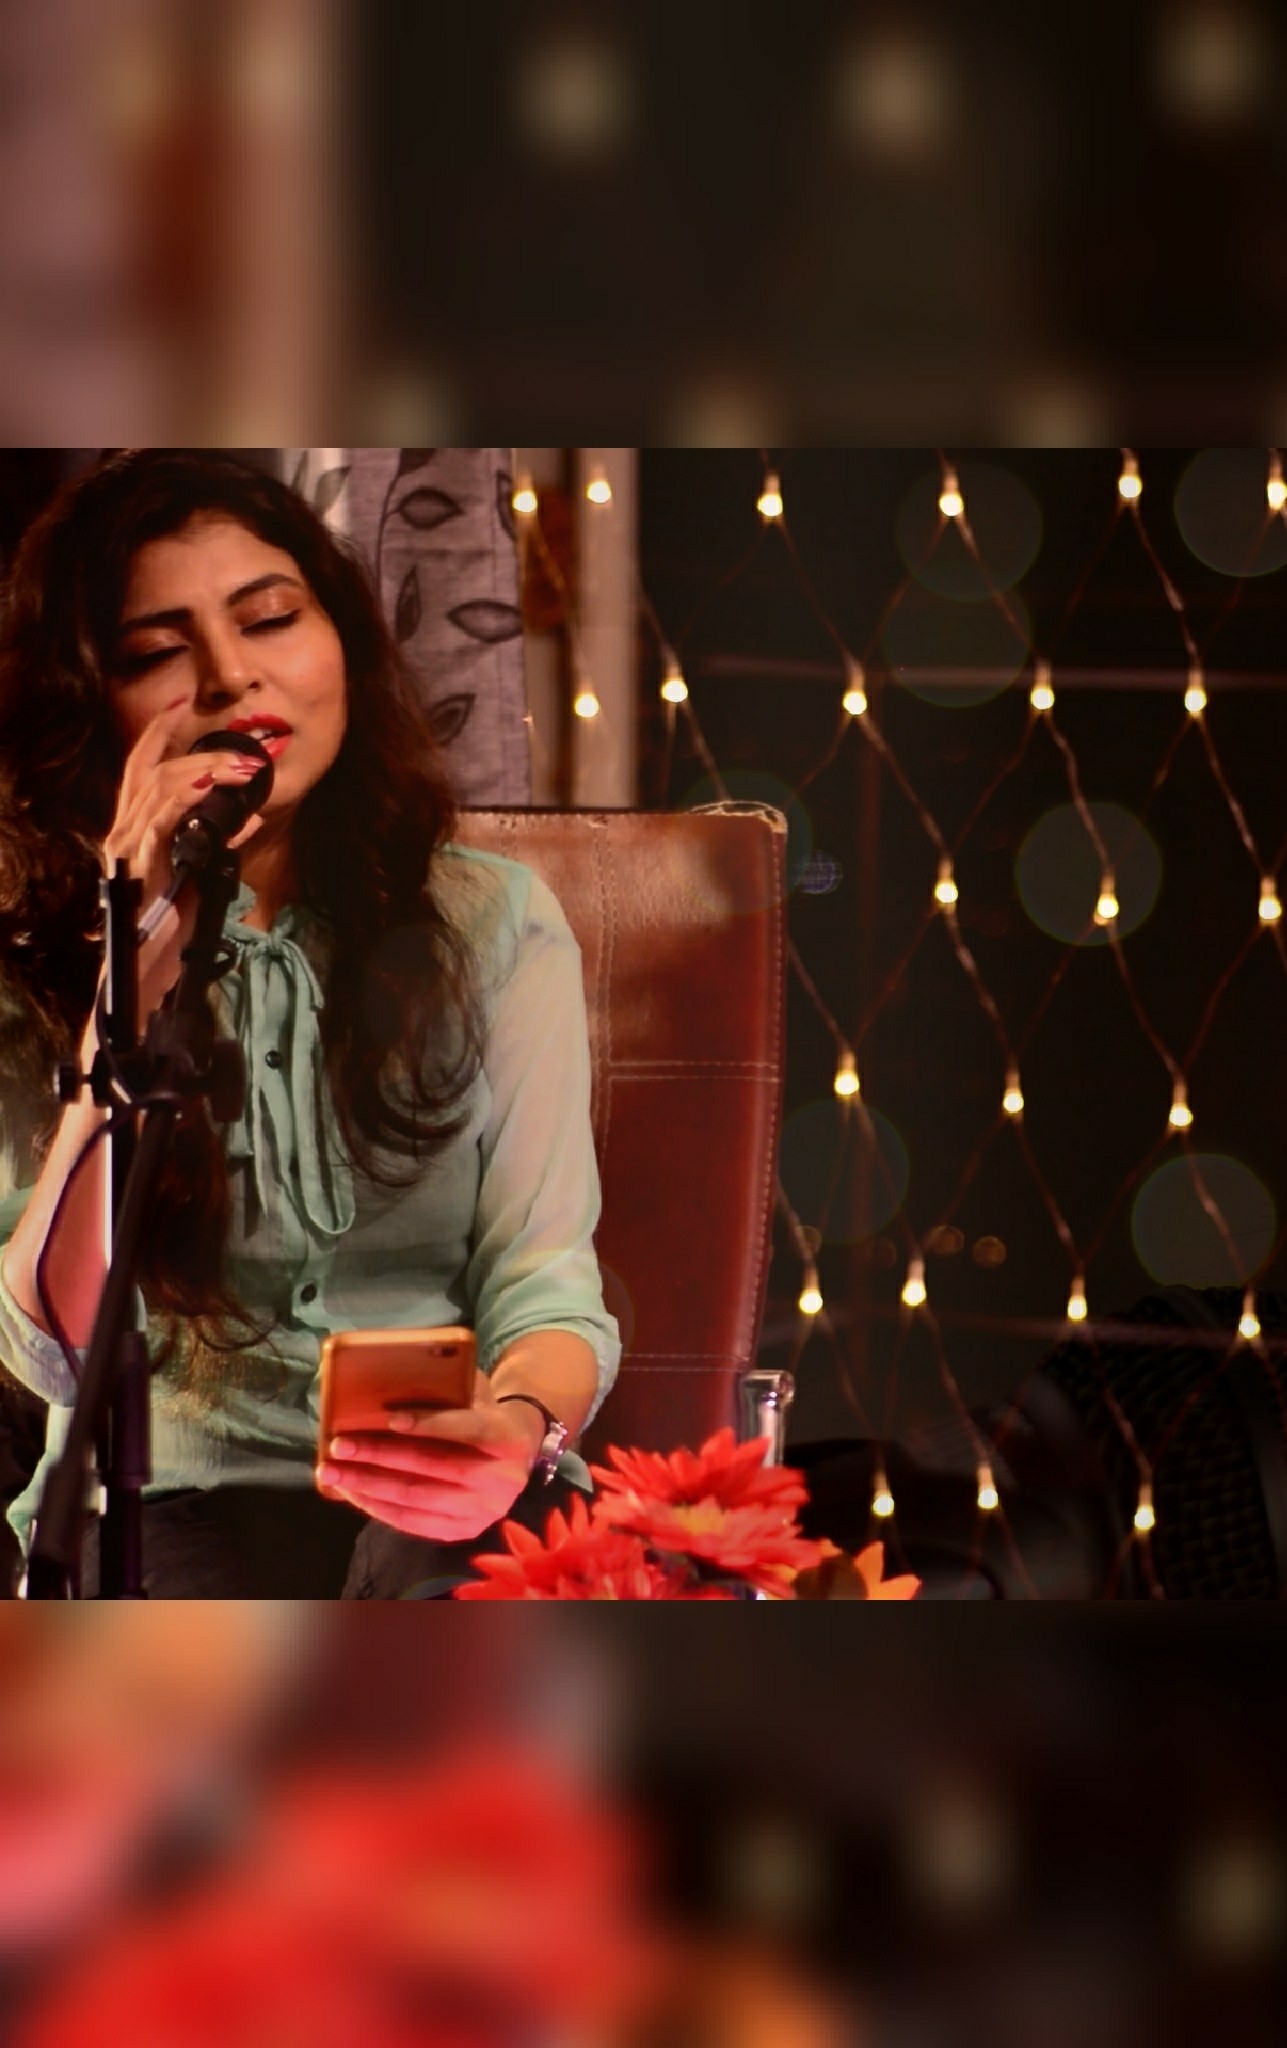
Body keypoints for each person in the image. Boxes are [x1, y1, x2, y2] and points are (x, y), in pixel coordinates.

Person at [0, 450, 620, 1597]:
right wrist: (133, 950)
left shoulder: (492, 919)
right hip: (170, 1502)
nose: (232, 675)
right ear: (90, 706)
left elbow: (544, 1283)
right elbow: (55, 1343)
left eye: (271, 617)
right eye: (157, 651)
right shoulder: (27, 956)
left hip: (448, 1488)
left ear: (343, 639)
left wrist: (516, 1427)